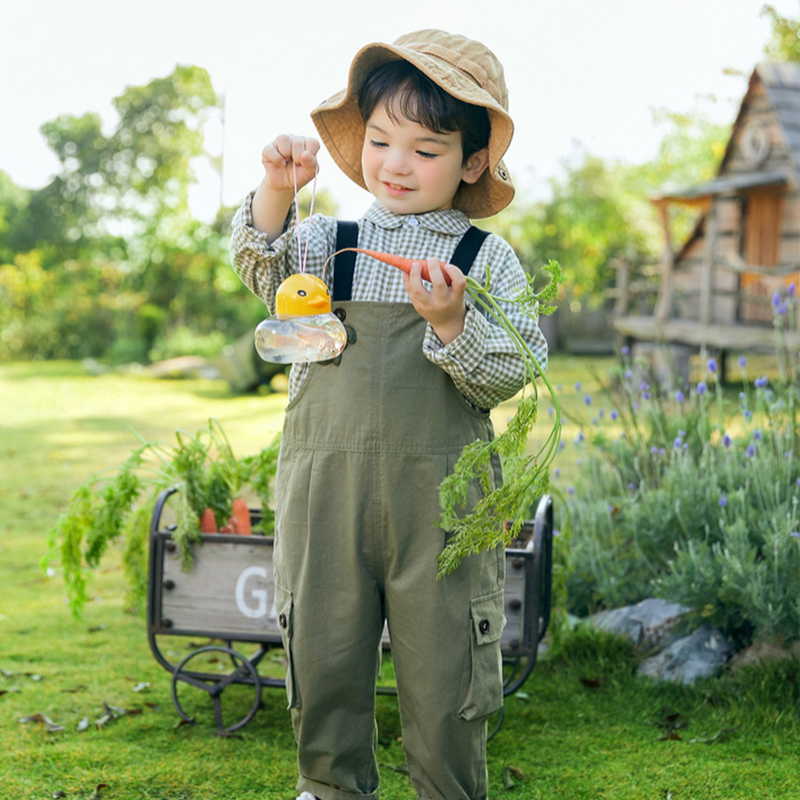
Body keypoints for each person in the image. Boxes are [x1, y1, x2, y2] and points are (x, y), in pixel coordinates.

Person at [230, 29, 548, 800]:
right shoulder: (327, 243)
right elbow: (261, 263)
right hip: (324, 489)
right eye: (380, 140)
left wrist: (449, 324)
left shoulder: (483, 259)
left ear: (473, 161)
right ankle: (329, 785)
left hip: (440, 499)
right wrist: (276, 185)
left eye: (426, 149)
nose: (397, 164)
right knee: (325, 647)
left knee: (446, 665)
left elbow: (515, 366)